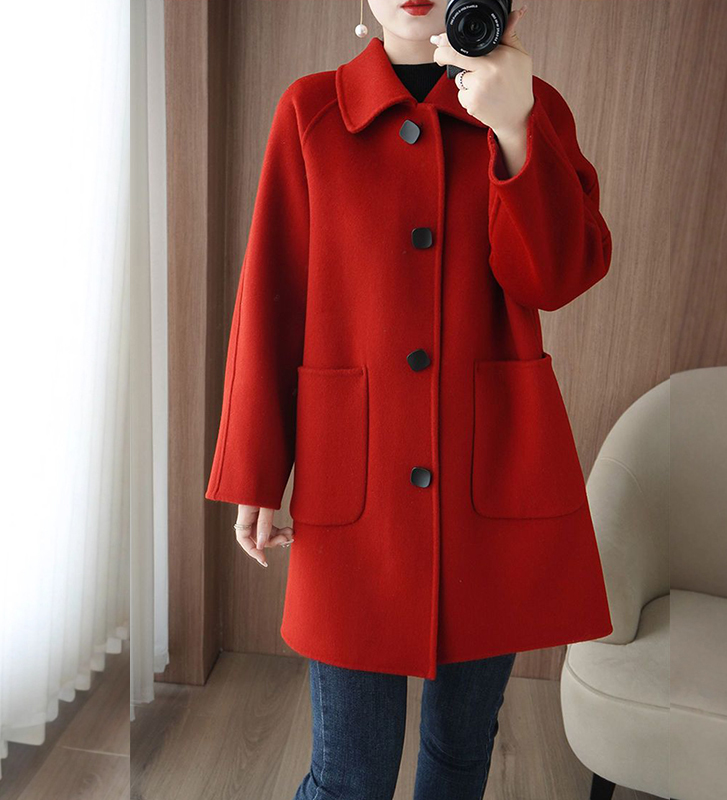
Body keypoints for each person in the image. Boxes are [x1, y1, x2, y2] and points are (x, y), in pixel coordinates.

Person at [205, 1, 614, 797]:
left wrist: (515, 129)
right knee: (349, 775)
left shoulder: (531, 107)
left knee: (459, 759)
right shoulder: (312, 111)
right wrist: (255, 471)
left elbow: (557, 276)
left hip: (488, 487)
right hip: (354, 493)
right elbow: (272, 297)